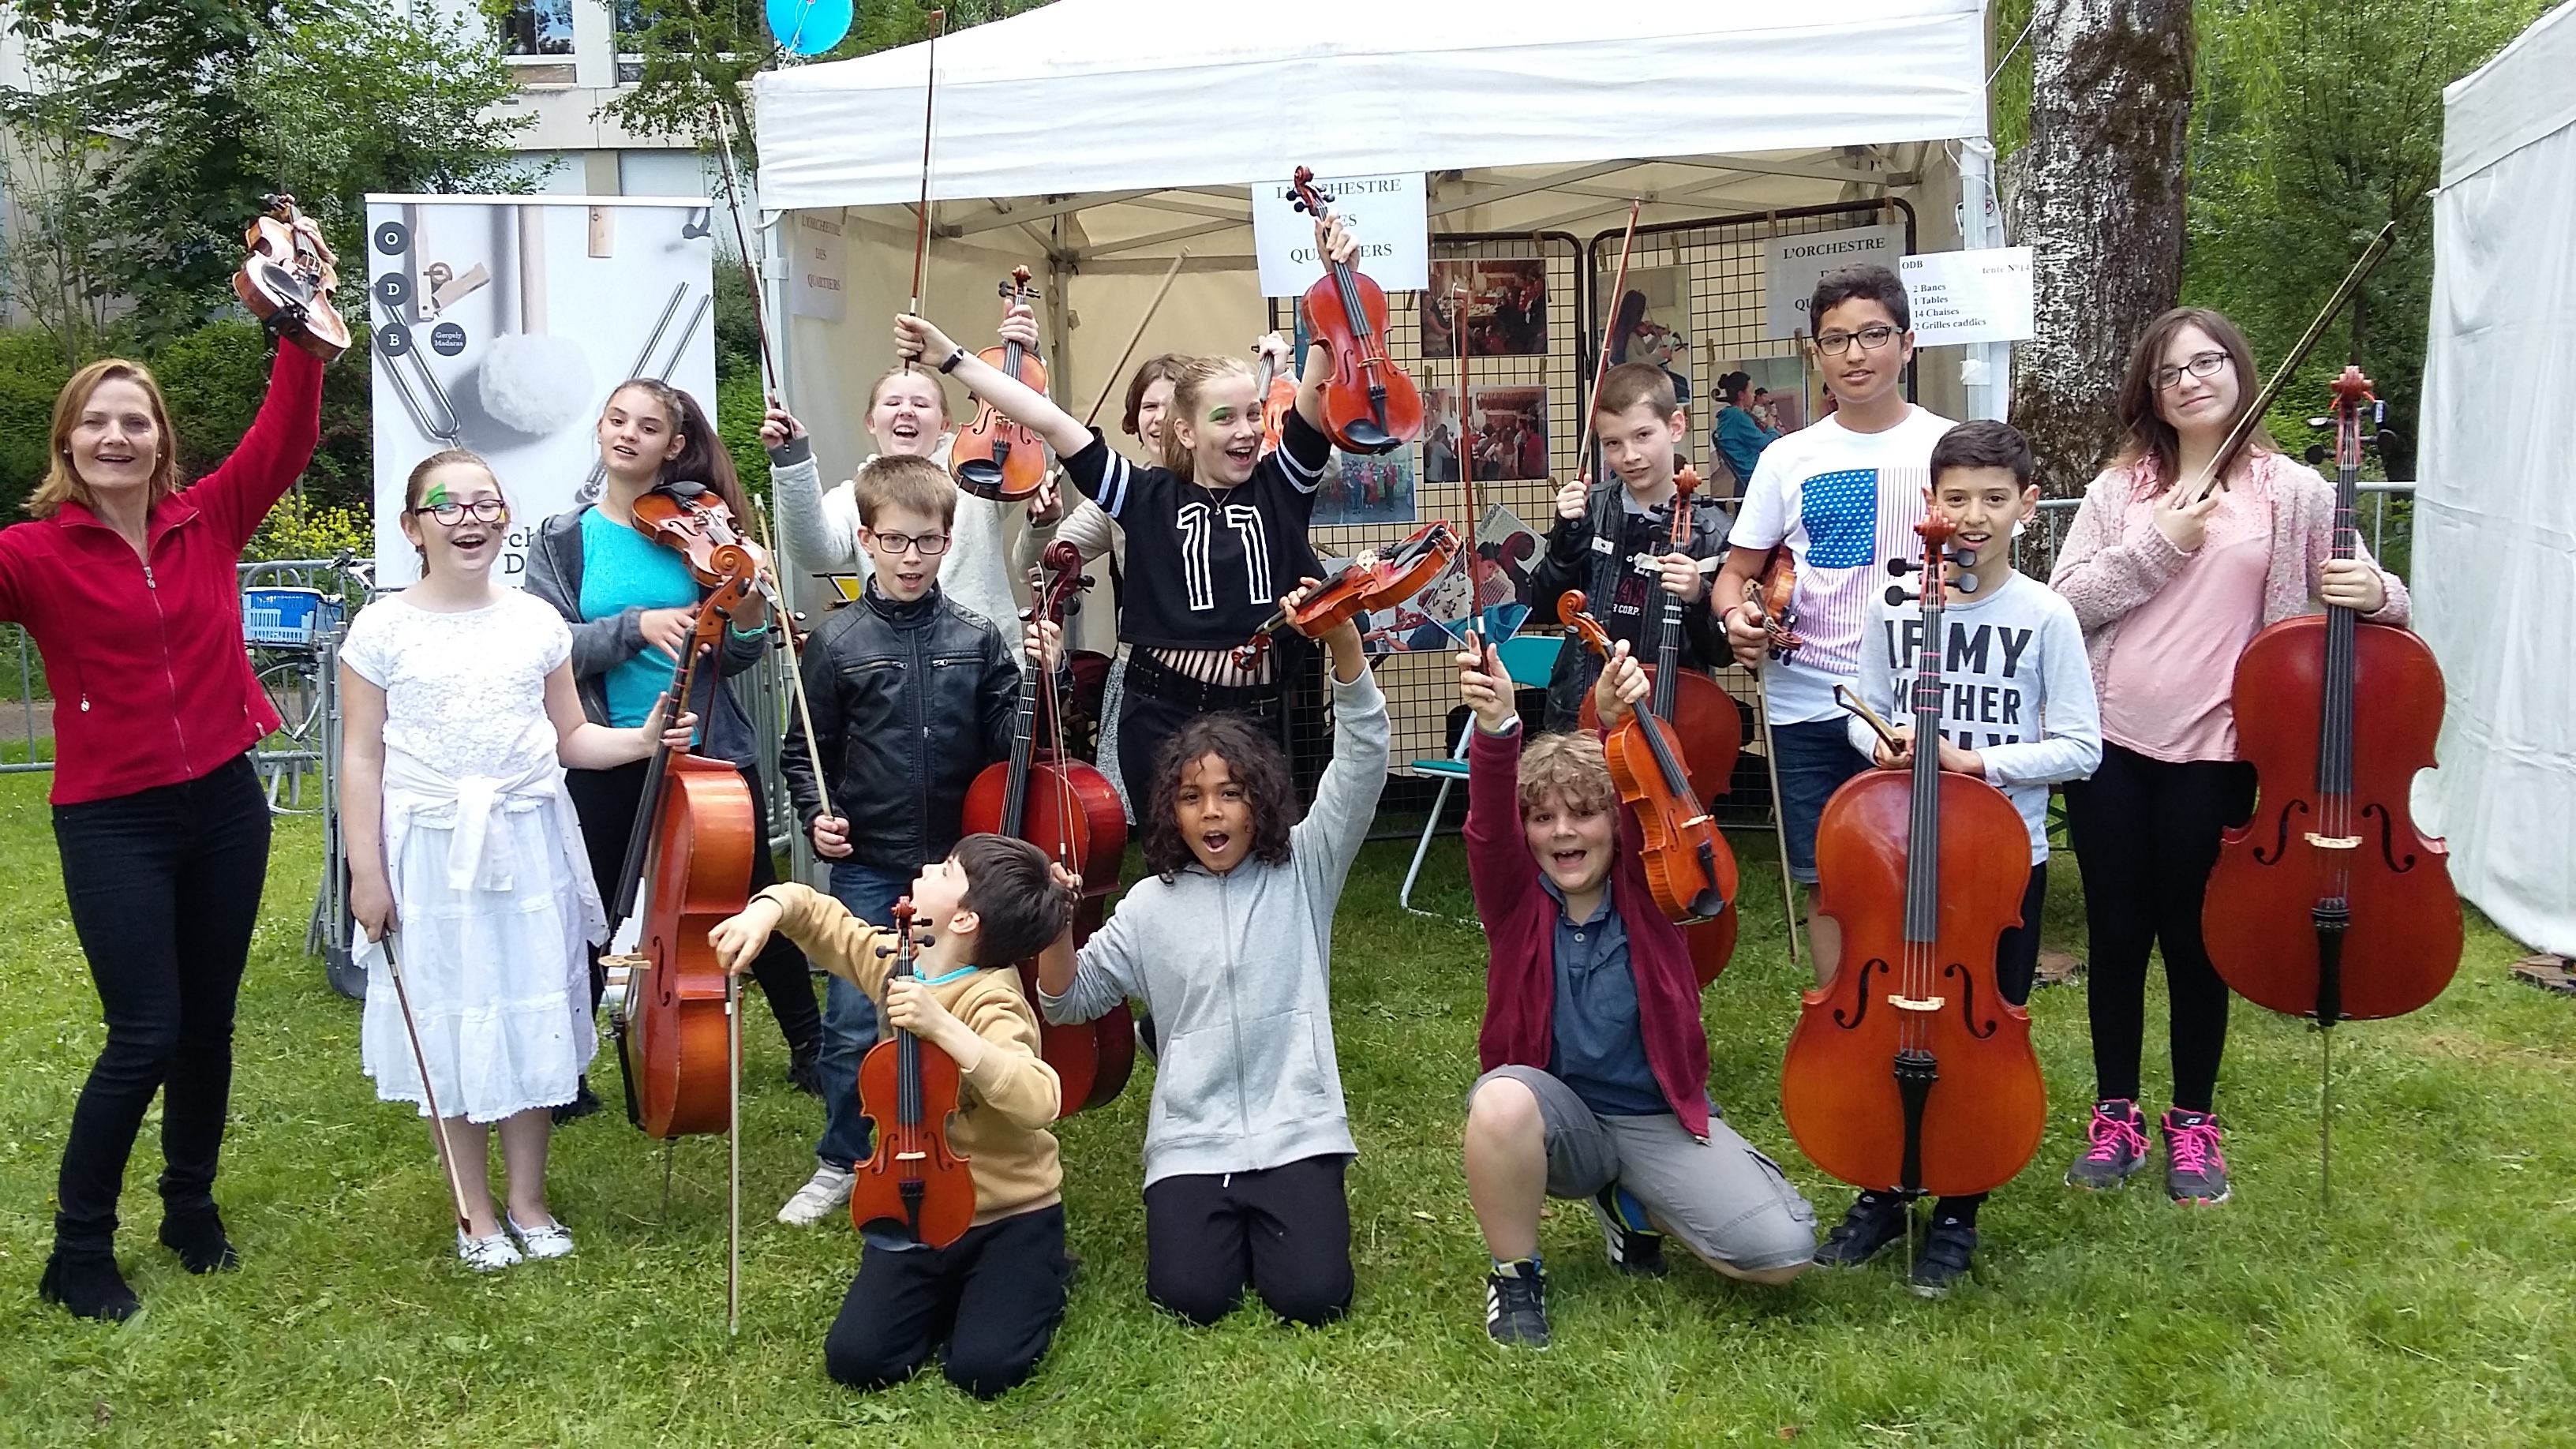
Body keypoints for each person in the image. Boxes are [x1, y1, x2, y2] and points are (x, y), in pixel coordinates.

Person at [2049, 307, 2409, 1206]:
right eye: (2171, 372)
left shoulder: (2295, 492)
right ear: (2152, 395)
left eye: (2208, 362)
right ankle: (2116, 1113)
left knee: (2197, 940)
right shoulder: (2118, 493)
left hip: (2222, 751)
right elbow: (2065, 607)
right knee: (2120, 934)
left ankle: (2194, 1123)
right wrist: (2157, 545)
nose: (2192, 380)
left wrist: (2381, 591)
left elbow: (2374, 593)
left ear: (2241, 372)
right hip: (2114, 746)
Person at [8, 324, 325, 1321]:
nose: (116, 436)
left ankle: (189, 1208)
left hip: (226, 805)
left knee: (209, 1027)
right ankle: (78, 1252)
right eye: (95, 423)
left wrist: (304, 344)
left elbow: (282, 439)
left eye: (133, 421)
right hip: (112, 819)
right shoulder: (30, 553)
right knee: (144, 1033)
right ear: (66, 444)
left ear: (160, 439)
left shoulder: (208, 520)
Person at [339, 451, 695, 1271]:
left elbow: (571, 737)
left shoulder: (535, 622)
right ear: (412, 527)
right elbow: (361, 759)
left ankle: (529, 1199)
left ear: (505, 519)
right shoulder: (382, 630)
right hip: (431, 849)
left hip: (529, 837)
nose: (469, 518)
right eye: (447, 506)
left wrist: (641, 740)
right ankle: (475, 1208)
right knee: (454, 1014)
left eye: (486, 504)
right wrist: (368, 871)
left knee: (530, 1006)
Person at [890, 210, 1357, 805]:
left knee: (1262, 867)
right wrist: (952, 358)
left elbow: (1318, 384)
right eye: (1226, 417)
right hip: (1162, 714)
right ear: (1183, 432)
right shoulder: (1142, 493)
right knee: (1176, 869)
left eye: (1251, 415)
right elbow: (1046, 418)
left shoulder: (1281, 485)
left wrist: (1334, 279)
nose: (1247, 430)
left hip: (1260, 716)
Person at [1035, 591, 1386, 1327]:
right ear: (1172, 810)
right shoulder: (1148, 905)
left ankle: (1289, 1214)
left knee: (1314, 1298)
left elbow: (1363, 758)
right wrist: (1058, 928)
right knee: (1191, 1298)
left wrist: (1344, 646)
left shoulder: (1305, 867)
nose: (1214, 812)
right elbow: (1068, 1001)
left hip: (1297, 1124)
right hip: (1192, 1141)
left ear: (1259, 801)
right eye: (1193, 798)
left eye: (1231, 794)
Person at [1455, 635, 1815, 1348]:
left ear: (1615, 831)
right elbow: (1488, 828)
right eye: (1544, 818)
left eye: (1583, 815)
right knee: (1499, 1102)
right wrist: (1497, 730)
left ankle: (1632, 1202)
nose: (1564, 832)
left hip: (1653, 1118)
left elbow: (1639, 797)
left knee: (1778, 1255)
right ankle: (1516, 1278)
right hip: (1559, 1119)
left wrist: (1611, 722)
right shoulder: (1515, 900)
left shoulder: (1652, 895)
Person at [1808, 420, 2100, 1293]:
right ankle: (1879, 1188)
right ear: (1930, 505)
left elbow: (2083, 748)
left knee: (1978, 1037)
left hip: (1998, 872)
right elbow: (1868, 725)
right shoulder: (1895, 607)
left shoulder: (2045, 615)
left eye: (1994, 499)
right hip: (1898, 860)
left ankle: (1959, 1204)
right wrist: (1887, 747)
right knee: (1887, 1021)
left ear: (2028, 508)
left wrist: (1980, 764)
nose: (1973, 516)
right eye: (1956, 497)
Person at [764, 443, 1059, 1228]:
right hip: (867, 860)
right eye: (894, 540)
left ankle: (950, 1136)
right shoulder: (837, 643)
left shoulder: (977, 635)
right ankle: (840, 1156)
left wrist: (1039, 677)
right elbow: (807, 753)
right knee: (856, 1019)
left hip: (954, 867)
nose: (911, 556)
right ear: (866, 539)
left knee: (963, 1005)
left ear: (949, 539)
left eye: (928, 540)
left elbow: (1010, 743)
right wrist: (814, 812)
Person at [523, 379, 822, 1115]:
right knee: (593, 905)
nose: (629, 434)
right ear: (599, 429)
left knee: (750, 895)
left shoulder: (706, 531)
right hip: (609, 744)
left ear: (675, 446)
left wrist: (749, 601)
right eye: (617, 420)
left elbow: (742, 654)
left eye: (648, 426)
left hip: (709, 744)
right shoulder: (563, 539)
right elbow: (543, 645)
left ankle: (811, 1046)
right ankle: (566, 1071)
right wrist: (636, 627)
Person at [708, 834, 1075, 1398]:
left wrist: (944, 1028)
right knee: (859, 1360)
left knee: (984, 1370)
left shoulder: (993, 1000)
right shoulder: (900, 958)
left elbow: (1038, 1099)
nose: (928, 866)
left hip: (1008, 1216)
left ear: (964, 920)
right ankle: (957, 1294)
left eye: (947, 870)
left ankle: (1041, 1276)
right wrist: (766, 912)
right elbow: (819, 916)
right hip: (916, 1208)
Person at [1713, 264, 1955, 984]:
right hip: (1806, 698)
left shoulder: (1952, 447)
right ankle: (1842, 1024)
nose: (1855, 354)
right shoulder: (1788, 457)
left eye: (1872, 335)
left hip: (1919, 698)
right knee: (1828, 878)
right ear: (1814, 352)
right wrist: (1737, 618)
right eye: (1835, 339)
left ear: (1907, 344)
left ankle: (1917, 1017)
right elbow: (1736, 573)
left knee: (1920, 878)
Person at [768, 306, 1084, 653]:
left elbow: (1040, 451)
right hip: (893, 666)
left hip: (985, 665)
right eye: (893, 403)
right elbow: (815, 553)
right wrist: (793, 464)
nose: (906, 410)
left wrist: (1029, 358)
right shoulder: (856, 492)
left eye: (921, 404)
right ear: (871, 422)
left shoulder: (975, 469)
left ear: (945, 423)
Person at [1531, 362, 1732, 732]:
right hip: (1581, 711)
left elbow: (1723, 652)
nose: (1630, 456)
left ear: (1675, 426)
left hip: (1672, 716)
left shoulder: (1713, 529)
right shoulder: (1589, 509)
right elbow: (1544, 607)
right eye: (1613, 443)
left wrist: (1697, 595)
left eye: (1642, 436)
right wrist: (1566, 539)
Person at [1711, 370, 1783, 488]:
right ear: (1741, 395)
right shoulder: (1736, 416)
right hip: (1755, 471)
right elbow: (1766, 444)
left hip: (1750, 468)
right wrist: (1770, 427)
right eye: (1751, 391)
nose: (1754, 395)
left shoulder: (1730, 415)